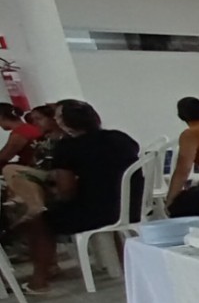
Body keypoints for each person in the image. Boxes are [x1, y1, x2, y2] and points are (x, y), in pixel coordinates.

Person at [21, 100, 140, 292]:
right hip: (133, 206)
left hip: (99, 213)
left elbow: (66, 192)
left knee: (40, 221)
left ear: (64, 123)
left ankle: (39, 281)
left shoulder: (67, 148)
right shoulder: (120, 138)